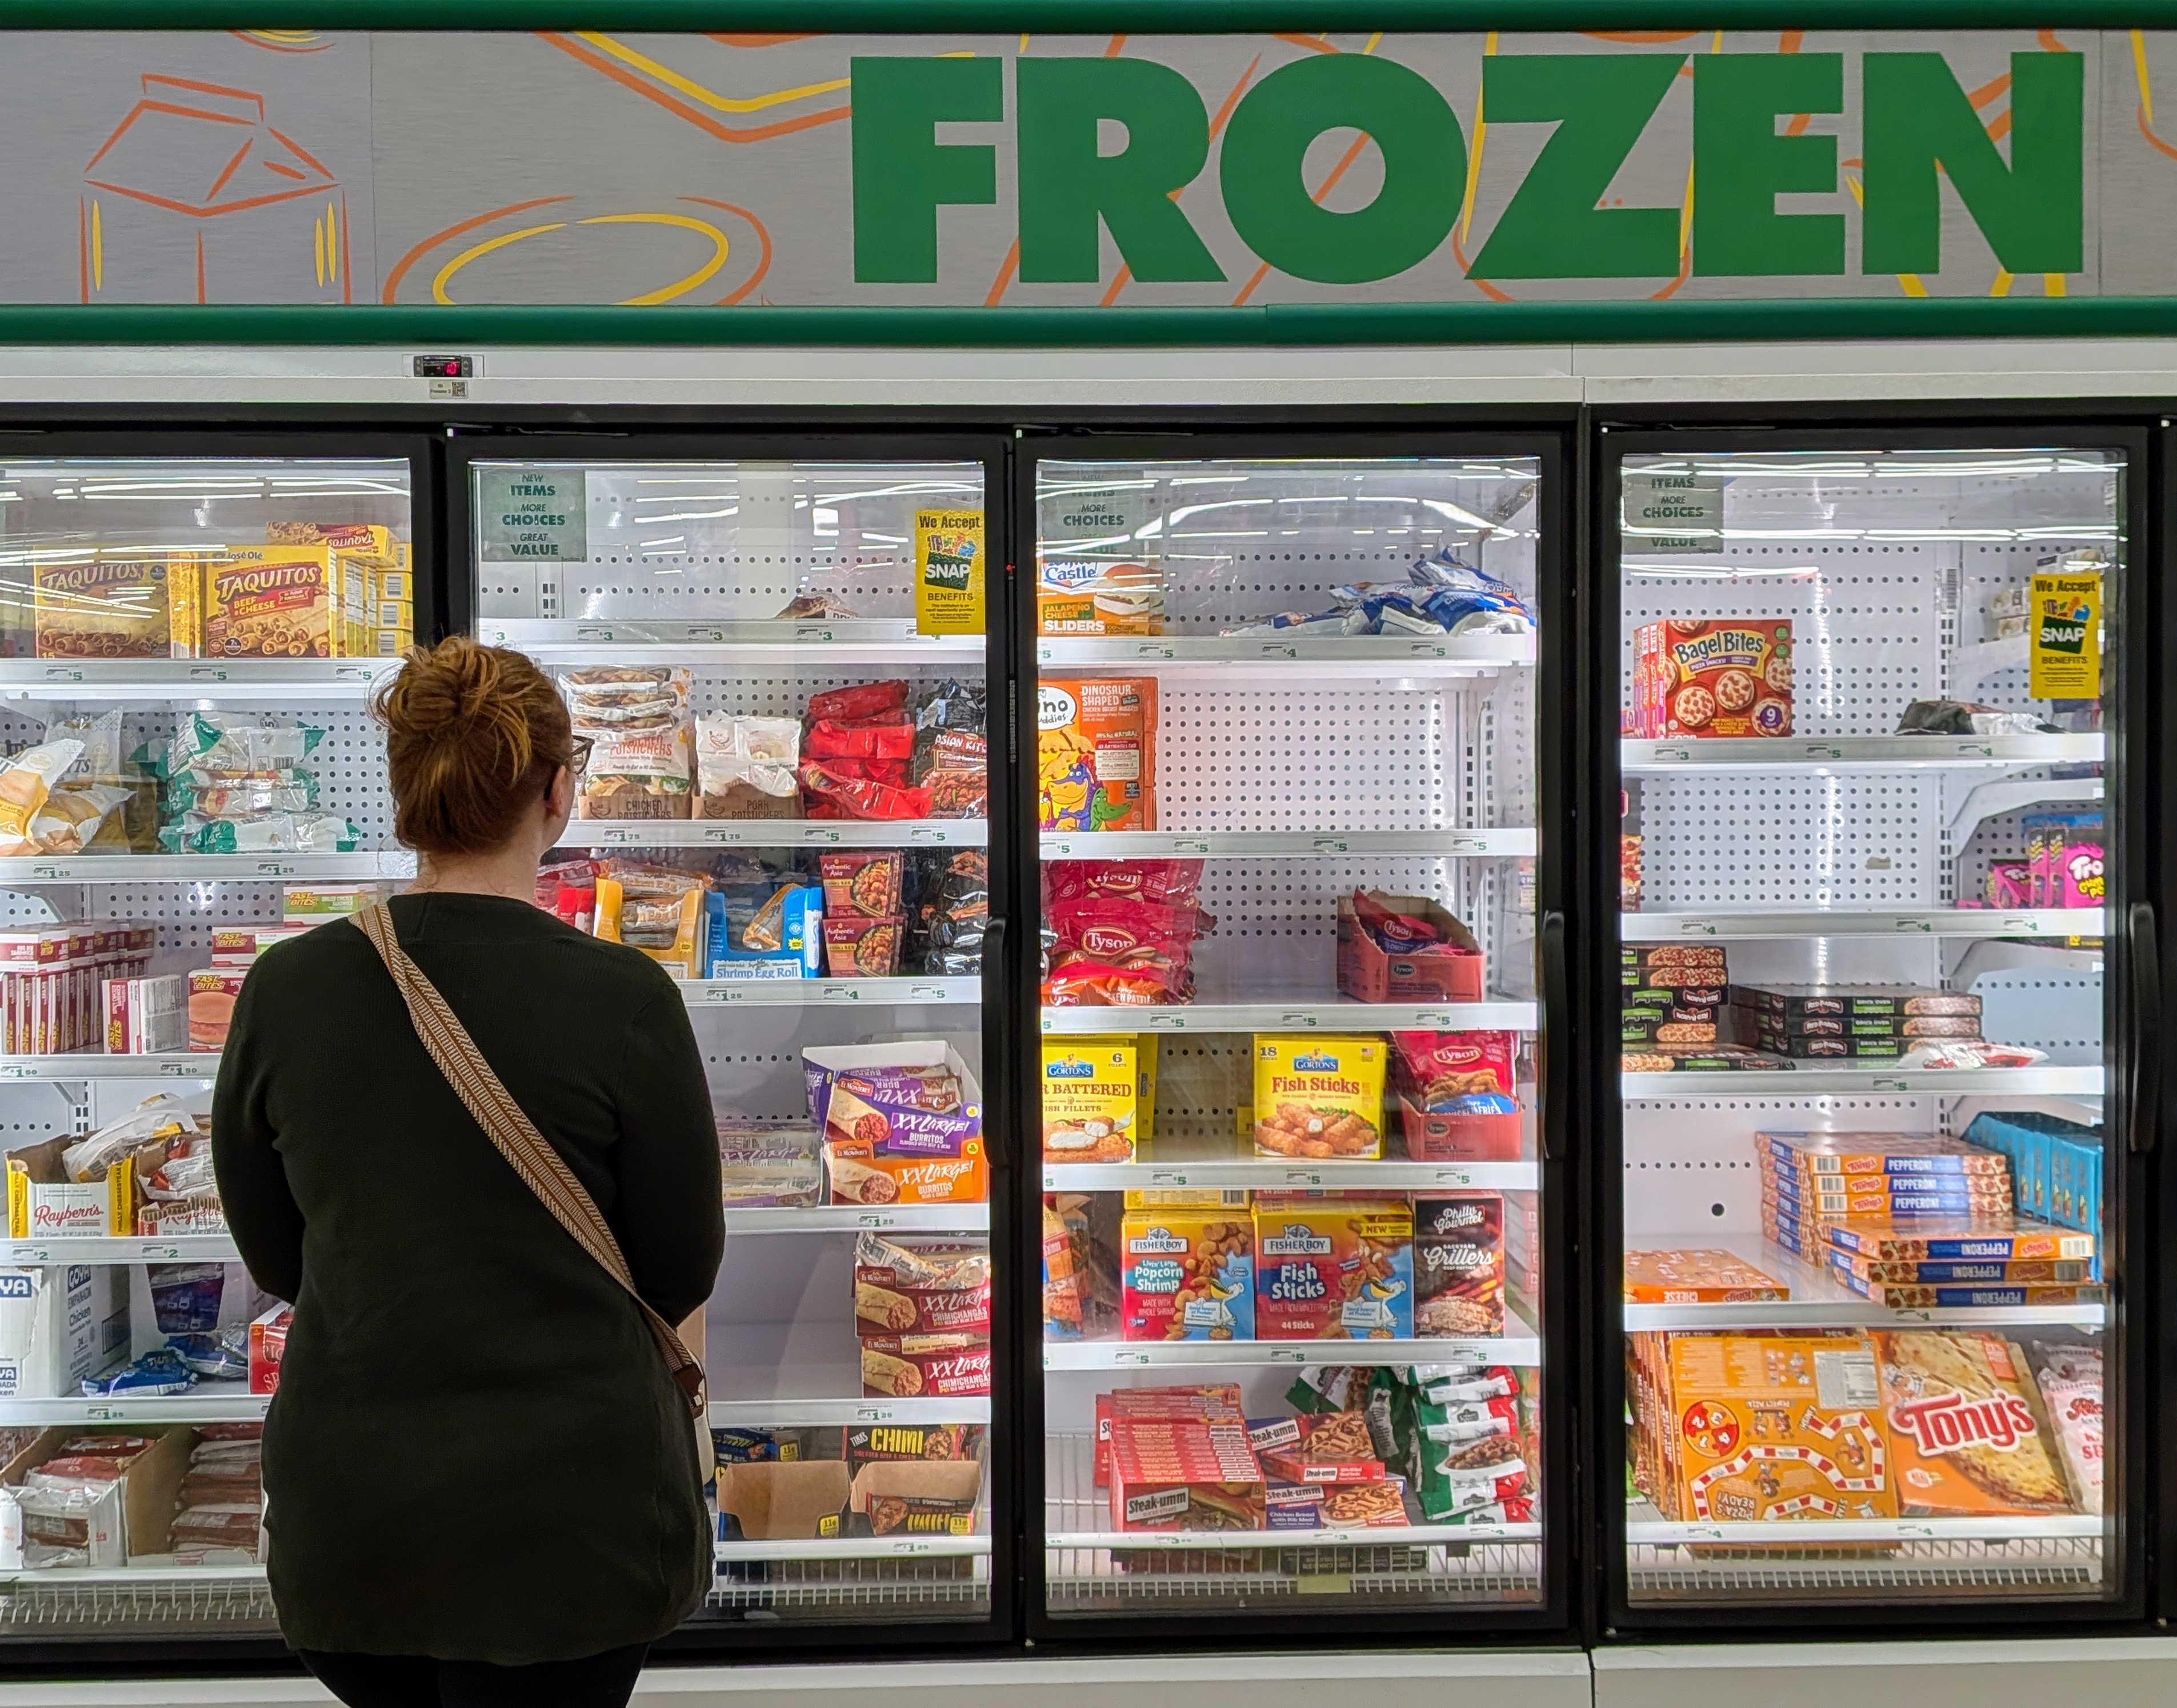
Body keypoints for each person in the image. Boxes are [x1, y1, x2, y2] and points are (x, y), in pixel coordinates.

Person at [214, 635, 723, 1708]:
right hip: (572, 1534)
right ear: (557, 789)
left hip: (358, 1527)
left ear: (406, 791)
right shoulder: (624, 999)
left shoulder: (286, 988)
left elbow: (278, 1253)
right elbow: (679, 1267)